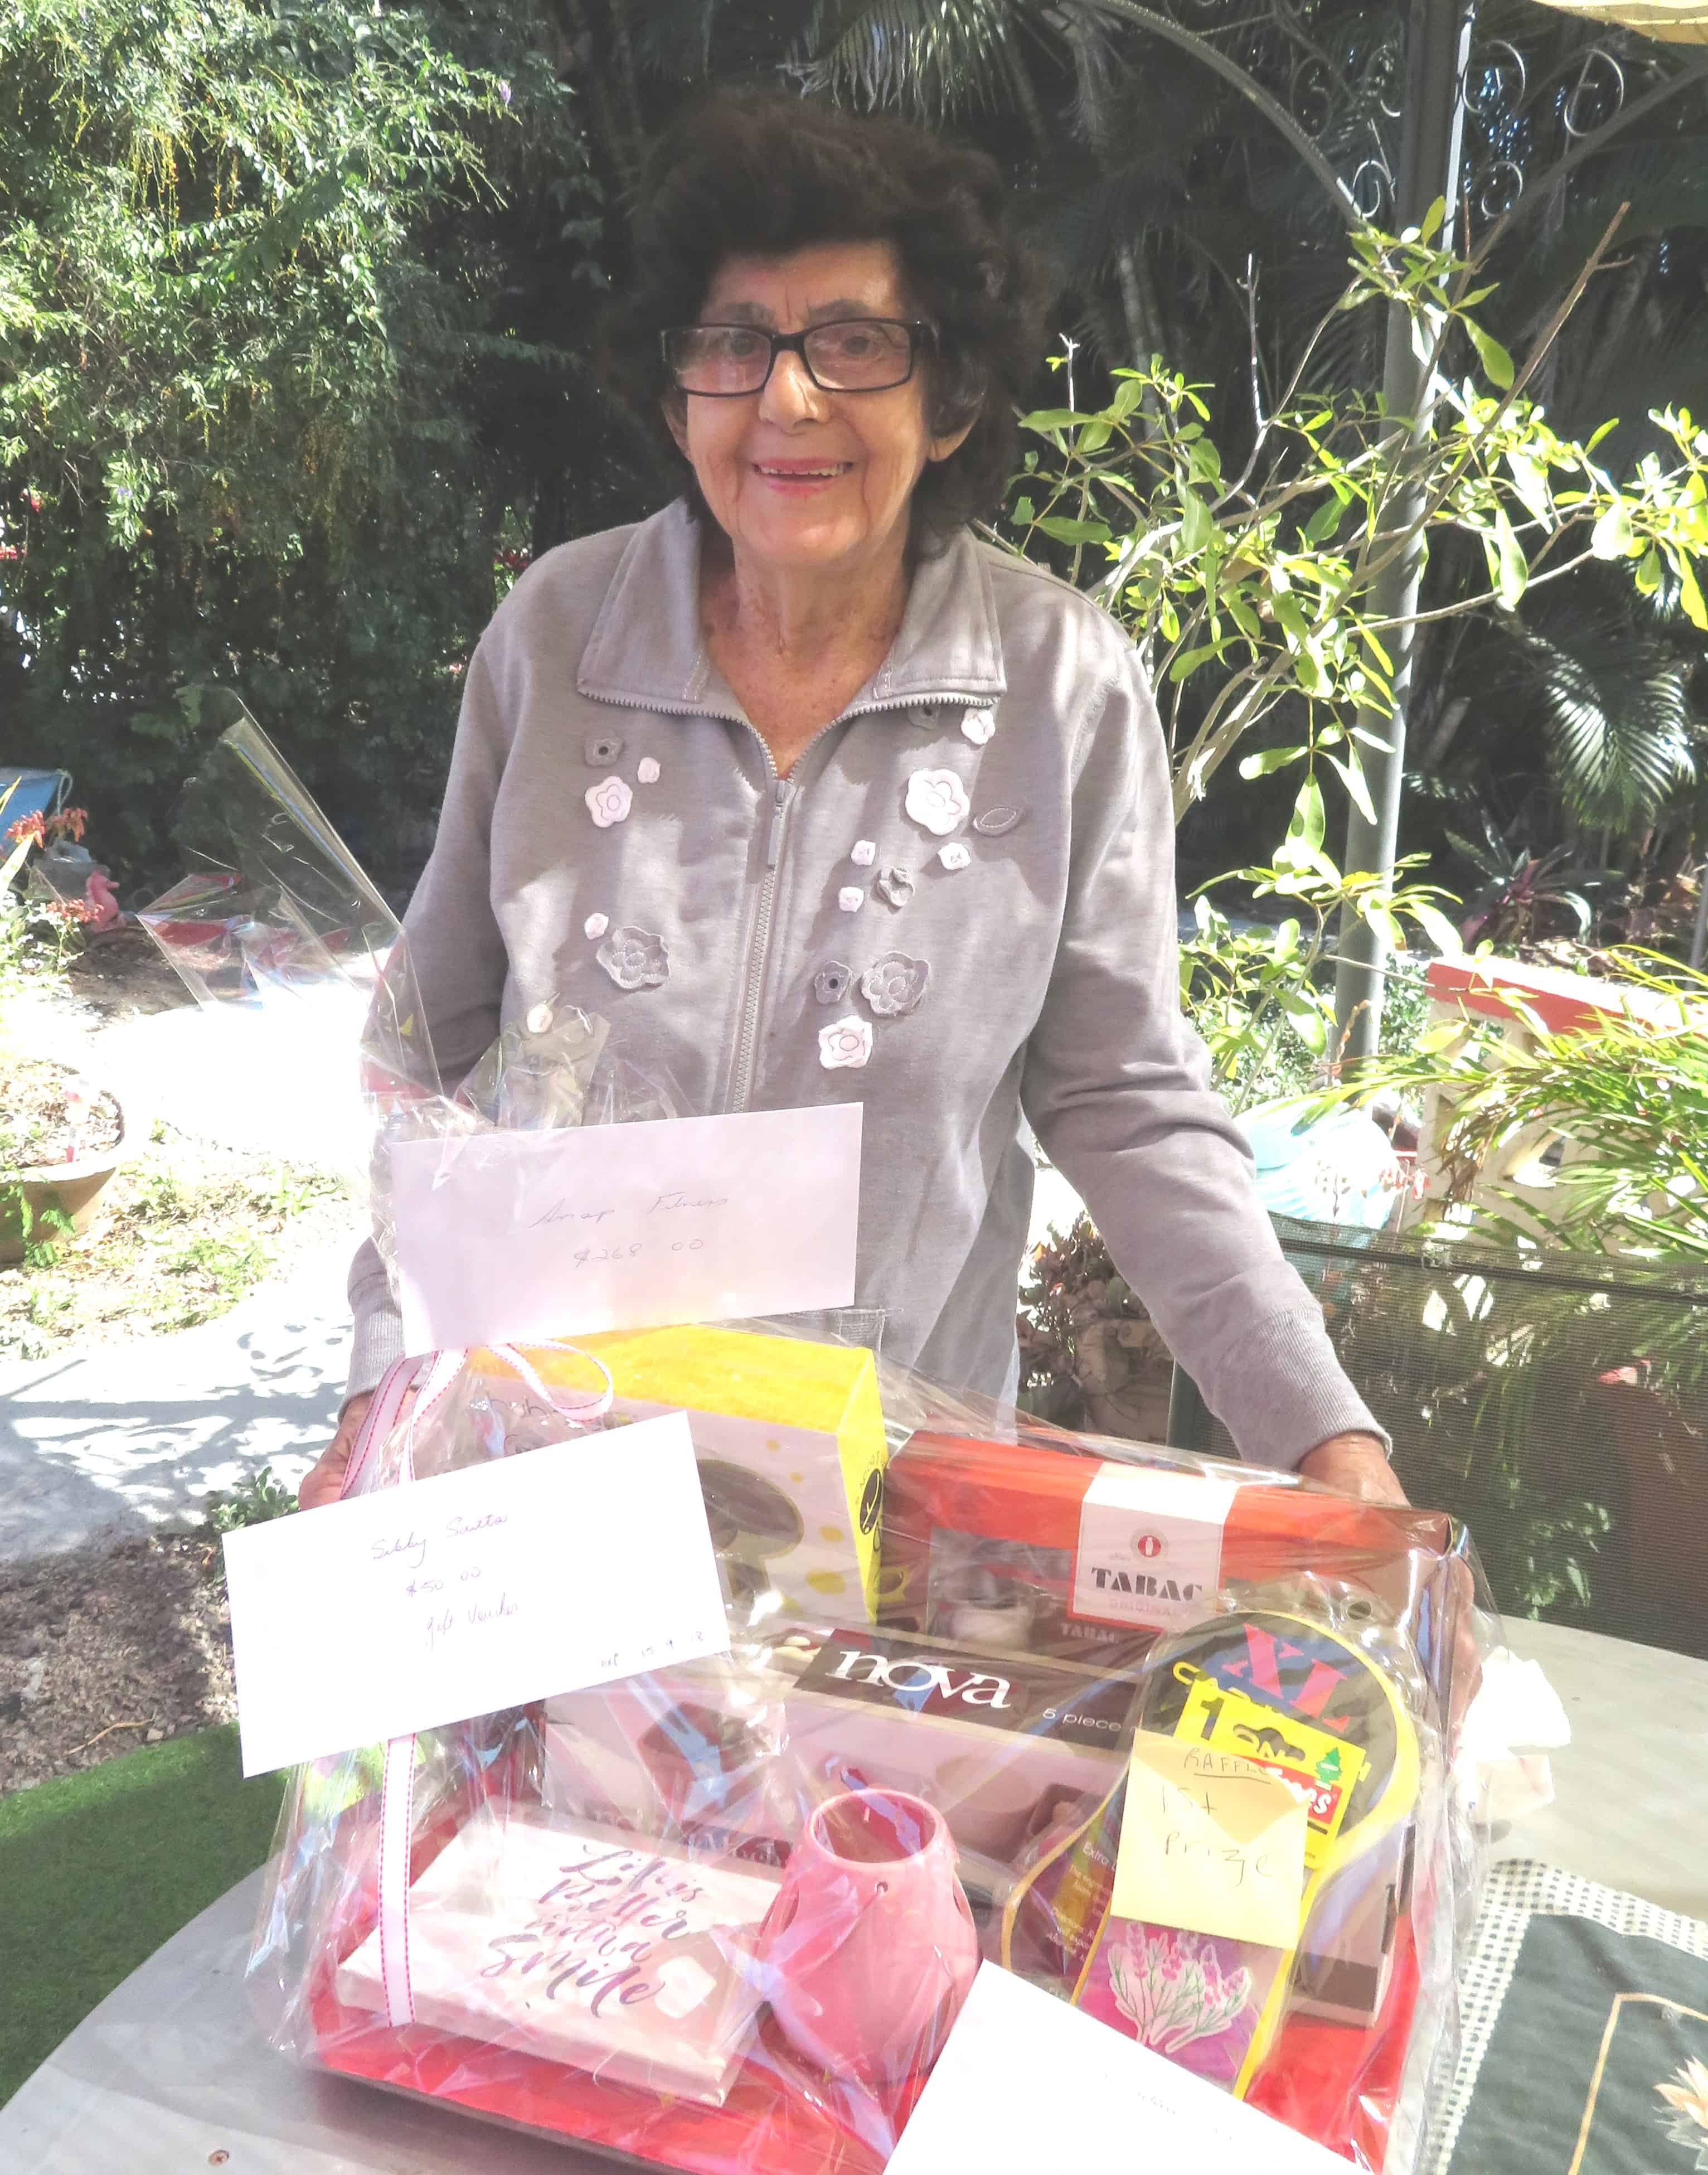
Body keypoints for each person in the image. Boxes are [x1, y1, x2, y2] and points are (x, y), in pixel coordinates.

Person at [298, 89, 1404, 1513]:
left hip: (887, 1501)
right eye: (734, 343)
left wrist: (1322, 1438)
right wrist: (380, 1388)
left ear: (950, 402)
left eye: (855, 344)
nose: (788, 399)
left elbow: (1126, 1104)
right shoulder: (559, 636)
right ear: (677, 394)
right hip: (546, 1477)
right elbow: (427, 1061)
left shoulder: (1055, 685)